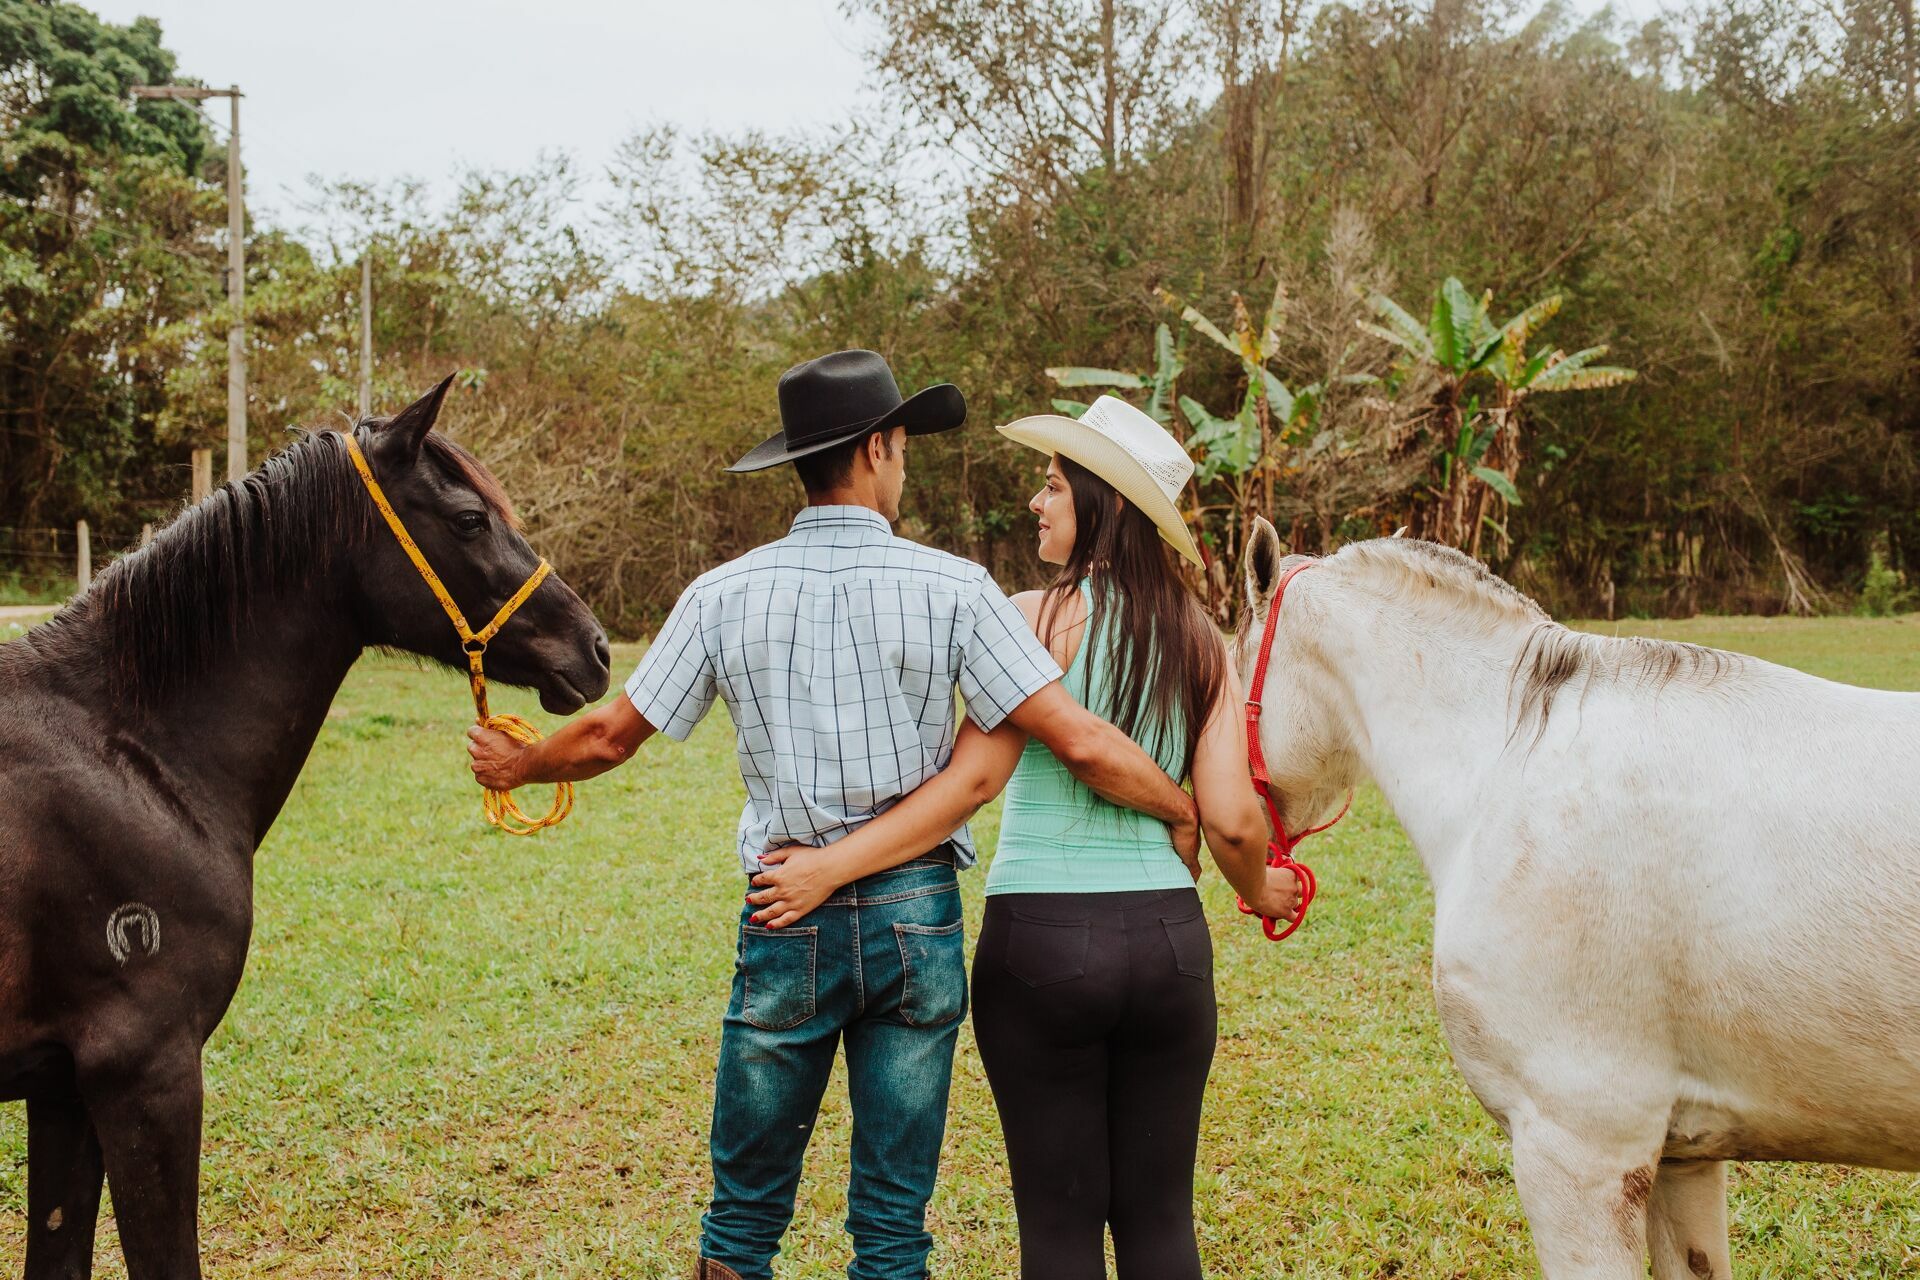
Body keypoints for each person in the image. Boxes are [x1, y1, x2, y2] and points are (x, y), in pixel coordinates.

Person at [465, 353, 1205, 1280]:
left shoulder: (722, 592)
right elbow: (1073, 743)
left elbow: (612, 736)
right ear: (877, 448)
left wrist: (522, 761)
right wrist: (1182, 809)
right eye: (902, 448)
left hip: (788, 910)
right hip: (916, 921)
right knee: (894, 1226)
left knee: (741, 1220)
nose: (905, 465)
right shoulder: (958, 589)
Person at [747, 394, 1298, 1280]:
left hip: (1040, 945)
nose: (1036, 504)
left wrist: (831, 866)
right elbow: (1234, 819)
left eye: (1051, 486)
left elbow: (972, 781)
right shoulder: (1200, 637)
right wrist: (1260, 888)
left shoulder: (1030, 619)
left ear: (1101, 503)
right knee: (1162, 1218)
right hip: (1168, 945)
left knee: (1059, 1222)